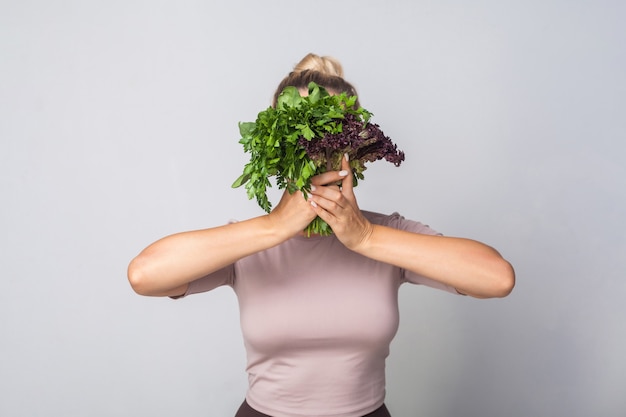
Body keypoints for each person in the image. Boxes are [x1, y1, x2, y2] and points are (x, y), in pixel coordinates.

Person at [127, 53, 515, 417]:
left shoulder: (388, 235)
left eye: (329, 129)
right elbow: (145, 275)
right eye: (299, 132)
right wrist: (275, 227)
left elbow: (496, 278)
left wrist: (364, 237)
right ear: (274, 148)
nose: (314, 149)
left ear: (353, 147)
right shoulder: (253, 242)